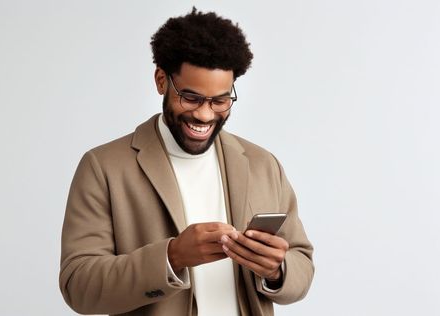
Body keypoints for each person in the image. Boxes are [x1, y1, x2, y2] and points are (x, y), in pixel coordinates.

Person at [59, 7, 314, 316]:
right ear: (161, 81)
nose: (205, 115)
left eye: (220, 101)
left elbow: (301, 262)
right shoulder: (103, 167)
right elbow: (79, 286)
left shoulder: (262, 164)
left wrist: (276, 271)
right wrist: (172, 257)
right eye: (191, 98)